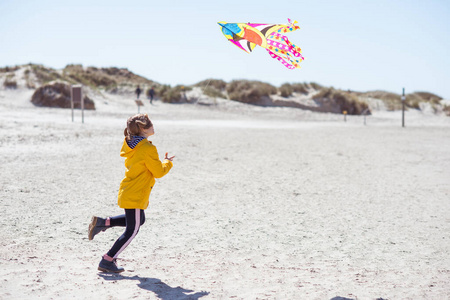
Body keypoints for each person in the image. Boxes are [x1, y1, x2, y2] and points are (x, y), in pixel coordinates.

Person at [88, 113, 174, 273]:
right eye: (150, 123)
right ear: (143, 128)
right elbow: (158, 172)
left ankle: (103, 222)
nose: (153, 126)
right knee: (132, 230)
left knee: (139, 220)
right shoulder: (148, 148)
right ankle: (107, 260)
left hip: (130, 191)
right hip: (135, 193)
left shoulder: (132, 144)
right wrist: (168, 163)